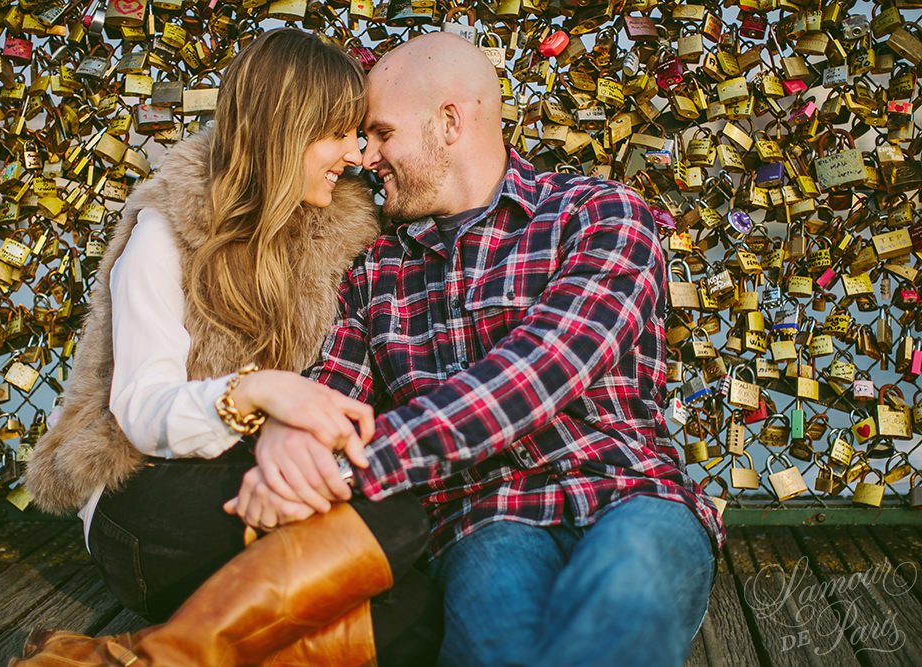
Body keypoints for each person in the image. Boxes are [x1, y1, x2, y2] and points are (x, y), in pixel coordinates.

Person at [232, 32, 727, 667]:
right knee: (501, 642)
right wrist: (290, 441)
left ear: (448, 122)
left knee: (626, 592)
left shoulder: (599, 214)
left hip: (630, 494)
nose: (365, 157)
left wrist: (345, 469)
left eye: (380, 133)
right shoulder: (371, 270)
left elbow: (540, 372)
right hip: (485, 521)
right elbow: (332, 399)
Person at [16, 29, 438, 666]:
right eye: (338, 134)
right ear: (285, 131)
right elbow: (140, 409)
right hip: (143, 501)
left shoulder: (345, 235)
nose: (354, 155)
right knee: (395, 520)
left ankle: (136, 658)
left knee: (419, 612)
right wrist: (255, 393)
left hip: (267, 491)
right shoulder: (167, 229)